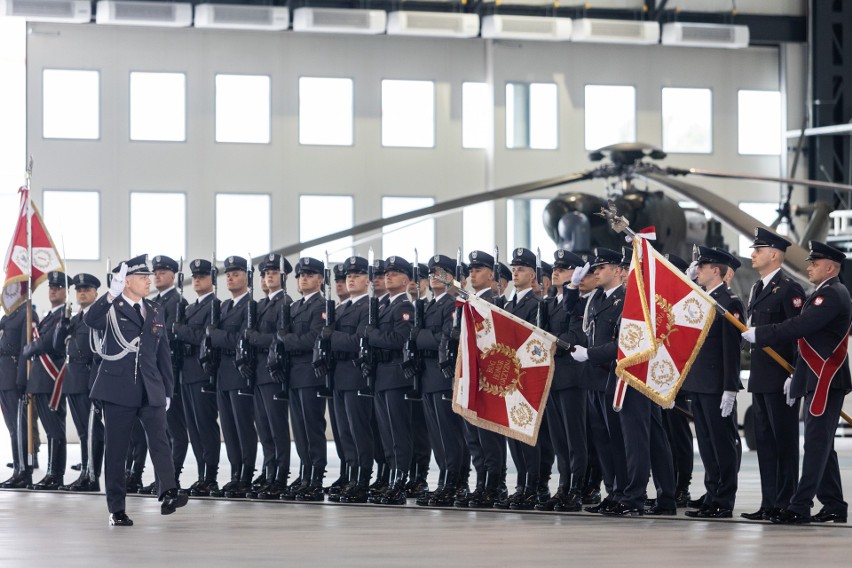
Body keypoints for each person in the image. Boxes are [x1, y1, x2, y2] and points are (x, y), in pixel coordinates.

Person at [743, 241, 852, 524]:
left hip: (826, 380)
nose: (809, 267)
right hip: (815, 378)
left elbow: (799, 327)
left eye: (814, 264)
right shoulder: (823, 293)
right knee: (822, 445)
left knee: (815, 445)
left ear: (830, 267)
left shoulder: (831, 295)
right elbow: (808, 340)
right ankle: (834, 504)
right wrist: (797, 375)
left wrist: (762, 334)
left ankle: (799, 506)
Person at [85, 256, 187, 526]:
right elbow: (90, 320)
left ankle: (168, 492)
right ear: (127, 282)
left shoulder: (154, 309)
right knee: (117, 450)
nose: (149, 281)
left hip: (150, 385)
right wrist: (110, 294)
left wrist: (167, 390)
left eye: (149, 277)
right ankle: (116, 508)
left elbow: (163, 351)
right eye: (143, 278)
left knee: (160, 441)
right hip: (118, 387)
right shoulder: (111, 307)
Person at [739, 228, 804, 521]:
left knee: (784, 442)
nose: (753, 254)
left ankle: (786, 503)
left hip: (780, 377)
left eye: (759, 249)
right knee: (764, 443)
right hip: (760, 376)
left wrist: (796, 375)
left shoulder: (789, 289)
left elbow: (799, 335)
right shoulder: (756, 288)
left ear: (774, 254)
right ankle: (768, 502)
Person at [682, 246, 743, 519]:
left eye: (702, 267)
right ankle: (712, 493)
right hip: (699, 382)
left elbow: (732, 350)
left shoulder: (728, 303)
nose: (697, 270)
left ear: (715, 271)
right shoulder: (701, 298)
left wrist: (730, 387)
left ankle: (724, 499)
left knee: (721, 443)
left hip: (717, 385)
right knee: (705, 443)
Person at [570, 248, 628, 515]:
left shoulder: (625, 299)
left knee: (617, 439)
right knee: (602, 441)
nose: (595, 273)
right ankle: (611, 491)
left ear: (618, 270)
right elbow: (570, 311)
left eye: (601, 268)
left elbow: (623, 342)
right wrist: (572, 286)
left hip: (611, 375)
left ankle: (624, 492)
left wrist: (591, 354)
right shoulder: (596, 299)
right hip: (593, 378)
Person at [536, 249, 588, 512]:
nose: (555, 272)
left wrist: (549, 341)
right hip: (552, 377)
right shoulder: (547, 303)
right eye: (555, 268)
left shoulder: (577, 301)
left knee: (574, 436)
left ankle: (576, 489)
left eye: (564, 268)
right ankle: (563, 486)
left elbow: (577, 336)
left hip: (572, 376)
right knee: (558, 438)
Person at [495, 247, 544, 510]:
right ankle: (522, 484)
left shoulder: (535, 304)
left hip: (525, 377)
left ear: (533, 275)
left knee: (527, 435)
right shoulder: (508, 304)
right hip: (509, 379)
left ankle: (533, 487)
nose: (515, 273)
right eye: (513, 269)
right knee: (514, 434)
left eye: (521, 269)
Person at [277, 257, 327, 501]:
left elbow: (315, 338)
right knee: (299, 429)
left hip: (310, 374)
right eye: (300, 275)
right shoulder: (294, 308)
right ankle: (305, 472)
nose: (303, 279)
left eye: (309, 274)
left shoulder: (322, 306)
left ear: (320, 279)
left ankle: (316, 476)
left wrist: (287, 341)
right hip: (295, 375)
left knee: (312, 427)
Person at [366, 256, 415, 505]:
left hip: (395, 376)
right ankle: (391, 477)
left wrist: (373, 336)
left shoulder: (404, 306)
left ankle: (400, 480)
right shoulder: (384, 306)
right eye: (386, 273)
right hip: (382, 376)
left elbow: (400, 340)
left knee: (397, 432)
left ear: (406, 280)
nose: (388, 276)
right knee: (385, 432)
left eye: (394, 273)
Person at [207, 255, 257, 498]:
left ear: (247, 278)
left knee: (243, 426)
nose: (230, 277)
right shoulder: (224, 306)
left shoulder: (251, 306)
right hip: (222, 373)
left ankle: (246, 474)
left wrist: (215, 336)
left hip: (239, 372)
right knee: (228, 427)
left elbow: (242, 339)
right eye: (228, 274)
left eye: (236, 274)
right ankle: (235, 472)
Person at [172, 259, 222, 497]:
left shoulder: (216, 306)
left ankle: (210, 475)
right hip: (186, 373)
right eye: (195, 276)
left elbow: (208, 336)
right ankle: (202, 473)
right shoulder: (190, 309)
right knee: (193, 428)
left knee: (205, 425)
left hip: (203, 373)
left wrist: (182, 331)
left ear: (212, 280)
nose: (197, 279)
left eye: (202, 275)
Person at [329, 256, 375, 503]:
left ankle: (362, 478)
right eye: (348, 276)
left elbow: (358, 341)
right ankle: (349, 474)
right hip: (338, 376)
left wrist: (331, 336)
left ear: (367, 281)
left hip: (356, 375)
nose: (351, 279)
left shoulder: (368, 307)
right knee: (343, 432)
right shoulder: (340, 309)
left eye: (356, 275)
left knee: (359, 431)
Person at [248, 254, 294, 500]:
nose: (269, 276)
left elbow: (280, 337)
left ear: (284, 277)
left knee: (276, 427)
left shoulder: (285, 303)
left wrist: (255, 338)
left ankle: (280, 475)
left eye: (274, 272)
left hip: (273, 372)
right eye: (266, 272)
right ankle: (269, 470)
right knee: (263, 428)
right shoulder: (263, 304)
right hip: (258, 372)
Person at [19, 271, 69, 490]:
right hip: (39, 380)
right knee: (50, 431)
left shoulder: (63, 316)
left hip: (51, 380)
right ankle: (50, 472)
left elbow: (51, 343)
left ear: (66, 291)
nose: (53, 290)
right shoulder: (49, 316)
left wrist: (29, 348)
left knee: (55, 431)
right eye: (51, 287)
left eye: (58, 288)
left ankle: (55, 475)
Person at [56, 273, 103, 492]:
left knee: (93, 431)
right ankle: (85, 471)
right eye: (79, 290)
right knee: (83, 431)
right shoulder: (74, 319)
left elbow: (99, 353)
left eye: (87, 289)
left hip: (88, 378)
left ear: (95, 293)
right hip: (72, 379)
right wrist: (63, 322)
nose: (82, 292)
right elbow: (57, 346)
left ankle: (92, 476)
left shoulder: (98, 317)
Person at [0, 301, 38, 489]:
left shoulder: (27, 314)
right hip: (3, 376)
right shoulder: (6, 317)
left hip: (15, 377)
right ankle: (17, 468)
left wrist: (22, 379)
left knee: (19, 426)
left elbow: (26, 349)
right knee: (12, 428)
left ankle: (24, 471)